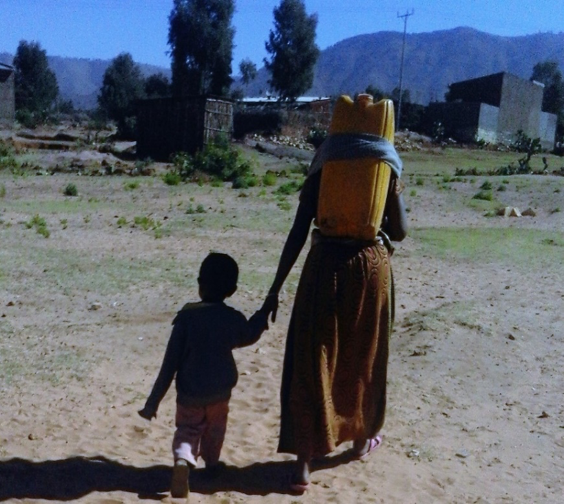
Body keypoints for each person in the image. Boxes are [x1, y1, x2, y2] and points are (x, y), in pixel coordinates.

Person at [262, 94, 408, 492]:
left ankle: (303, 467)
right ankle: (361, 441)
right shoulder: (385, 166)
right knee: (365, 358)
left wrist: (273, 290)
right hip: (371, 268)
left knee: (315, 359)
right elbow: (399, 232)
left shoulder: (324, 164)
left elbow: (297, 230)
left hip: (324, 265)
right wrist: (392, 190)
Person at [139, 252, 269, 499]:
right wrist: (262, 315)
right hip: (220, 393)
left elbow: (169, 365)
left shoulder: (186, 319)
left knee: (188, 429)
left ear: (200, 283)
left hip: (190, 393)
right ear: (232, 290)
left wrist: (152, 402)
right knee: (215, 429)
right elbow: (249, 334)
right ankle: (211, 465)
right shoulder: (231, 318)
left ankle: (183, 459)